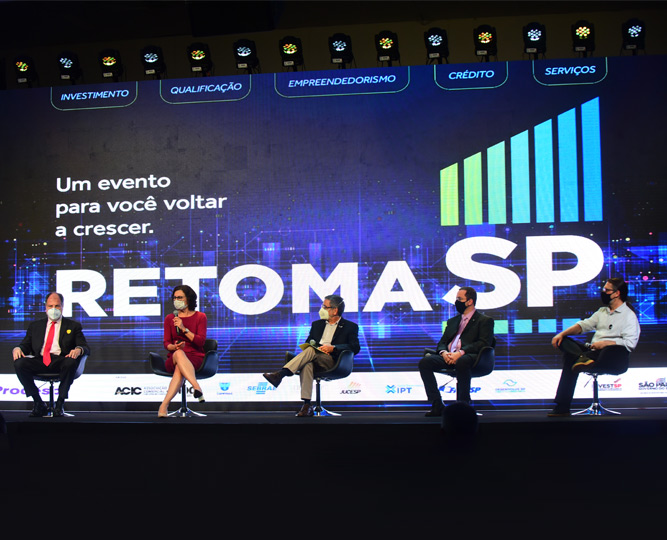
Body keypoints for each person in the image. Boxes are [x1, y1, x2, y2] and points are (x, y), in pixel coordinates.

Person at [548, 277, 640, 417]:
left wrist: (606, 343)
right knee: (565, 342)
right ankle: (563, 406)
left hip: (612, 355)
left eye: (606, 290)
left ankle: (582, 359)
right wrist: (561, 334)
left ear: (617, 293)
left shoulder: (628, 315)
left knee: (578, 357)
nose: (603, 292)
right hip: (592, 351)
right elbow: (584, 325)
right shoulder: (602, 311)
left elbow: (630, 343)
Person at [263, 294, 360, 417]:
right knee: (307, 362)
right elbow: (309, 342)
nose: (322, 309)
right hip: (314, 358)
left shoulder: (350, 327)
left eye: (325, 307)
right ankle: (307, 405)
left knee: (310, 352)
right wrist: (312, 346)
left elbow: (355, 347)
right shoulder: (317, 325)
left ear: (335, 310)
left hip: (333, 361)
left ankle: (281, 374)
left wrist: (333, 348)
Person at [419, 286, 494, 417]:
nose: (456, 302)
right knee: (425, 362)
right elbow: (442, 342)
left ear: (469, 301)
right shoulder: (453, 321)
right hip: (449, 356)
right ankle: (437, 404)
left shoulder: (484, 321)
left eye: (460, 299)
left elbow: (483, 343)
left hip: (470, 357)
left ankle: (463, 405)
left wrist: (460, 353)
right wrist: (444, 353)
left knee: (462, 362)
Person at [12, 292, 90, 417]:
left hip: (61, 361)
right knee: (20, 363)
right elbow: (26, 345)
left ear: (63, 307)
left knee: (70, 362)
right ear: (45, 308)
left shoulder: (73, 326)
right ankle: (38, 402)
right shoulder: (35, 326)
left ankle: (60, 404)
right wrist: (18, 348)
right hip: (41, 360)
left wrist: (79, 349)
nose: (53, 309)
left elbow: (85, 347)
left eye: (57, 306)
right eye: (50, 306)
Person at [158, 285, 208, 417]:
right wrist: (174, 347)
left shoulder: (200, 317)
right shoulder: (170, 318)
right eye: (174, 298)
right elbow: (166, 343)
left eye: (179, 297)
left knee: (180, 367)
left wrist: (183, 328)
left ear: (188, 299)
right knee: (179, 354)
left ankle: (164, 406)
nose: (176, 300)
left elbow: (200, 342)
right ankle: (196, 387)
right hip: (174, 356)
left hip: (194, 357)